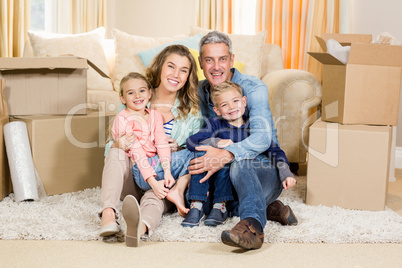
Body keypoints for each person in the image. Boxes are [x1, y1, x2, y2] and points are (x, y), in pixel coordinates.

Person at [188, 31, 297, 250]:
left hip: (260, 166)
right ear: (200, 62)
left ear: (232, 60)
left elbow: (264, 139)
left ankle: (252, 227)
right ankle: (269, 208)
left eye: (222, 59)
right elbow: (193, 136)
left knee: (240, 161)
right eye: (209, 60)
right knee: (193, 175)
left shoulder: (253, 87)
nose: (216, 67)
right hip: (224, 177)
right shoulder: (199, 90)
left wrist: (227, 154)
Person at [99, 45, 203, 247]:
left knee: (156, 198)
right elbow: (111, 148)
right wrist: (118, 144)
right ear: (160, 67)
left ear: (188, 76)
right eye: (171, 66)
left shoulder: (191, 111)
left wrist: (180, 147)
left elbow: (193, 152)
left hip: (162, 180)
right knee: (116, 153)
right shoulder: (137, 93)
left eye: (183, 70)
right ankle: (108, 216)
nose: (176, 74)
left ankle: (140, 229)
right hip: (131, 175)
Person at [182, 81, 295, 228]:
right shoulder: (215, 125)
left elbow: (274, 150)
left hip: (245, 181)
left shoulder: (253, 128)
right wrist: (215, 142)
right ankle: (198, 206)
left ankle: (233, 208)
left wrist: (285, 173)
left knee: (235, 161)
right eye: (224, 105)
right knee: (203, 152)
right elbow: (191, 142)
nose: (232, 107)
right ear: (217, 110)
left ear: (244, 101)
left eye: (235, 101)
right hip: (219, 186)